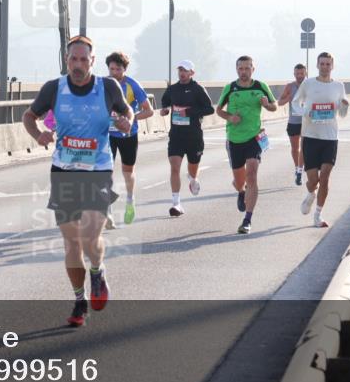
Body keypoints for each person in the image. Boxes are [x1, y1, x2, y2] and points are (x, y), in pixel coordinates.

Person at [23, 35, 132, 327]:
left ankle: (97, 271)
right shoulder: (53, 89)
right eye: (74, 59)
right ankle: (78, 299)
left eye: (84, 59)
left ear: (92, 61)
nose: (79, 65)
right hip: (64, 171)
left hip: (97, 170)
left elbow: (127, 111)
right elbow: (29, 116)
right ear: (66, 60)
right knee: (71, 242)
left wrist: (127, 122)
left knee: (89, 237)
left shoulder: (107, 86)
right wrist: (39, 135)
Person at [215, 55, 277, 234]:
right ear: (236, 70)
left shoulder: (260, 86)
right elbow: (218, 110)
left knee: (252, 175)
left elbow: (274, 106)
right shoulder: (230, 88)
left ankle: (247, 220)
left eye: (247, 68)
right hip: (234, 139)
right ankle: (242, 193)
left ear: (253, 69)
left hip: (254, 137)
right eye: (240, 69)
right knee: (239, 181)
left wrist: (267, 105)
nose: (244, 72)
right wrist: (230, 117)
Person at [296, 52, 349, 228]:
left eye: (328, 64)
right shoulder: (308, 83)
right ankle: (311, 194)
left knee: (325, 177)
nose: (325, 67)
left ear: (332, 66)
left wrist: (344, 106)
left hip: (330, 137)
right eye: (322, 64)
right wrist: (306, 112)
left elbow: (341, 114)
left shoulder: (339, 86)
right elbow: (296, 103)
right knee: (313, 180)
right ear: (317, 65)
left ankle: (318, 215)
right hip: (311, 136)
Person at [159, 60, 215, 217]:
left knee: (193, 166)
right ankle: (176, 203)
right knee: (175, 167)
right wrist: (165, 110)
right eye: (180, 70)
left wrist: (189, 112)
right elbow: (165, 102)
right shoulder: (172, 89)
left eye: (185, 70)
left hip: (194, 136)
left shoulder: (197, 89)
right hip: (176, 135)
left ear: (192, 73)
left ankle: (193, 178)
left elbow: (209, 109)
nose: (182, 73)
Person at [104, 51, 153, 226]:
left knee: (127, 172)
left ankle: (130, 200)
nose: (114, 72)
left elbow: (149, 110)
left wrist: (130, 119)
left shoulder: (133, 85)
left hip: (128, 135)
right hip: (107, 135)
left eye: (118, 69)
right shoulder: (103, 84)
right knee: (105, 172)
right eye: (111, 69)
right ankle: (107, 213)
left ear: (124, 69)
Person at [275, 63, 307, 185]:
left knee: (304, 148)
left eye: (302, 73)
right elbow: (279, 102)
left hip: (307, 122)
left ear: (306, 74)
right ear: (294, 74)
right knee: (295, 148)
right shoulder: (290, 87)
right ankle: (297, 168)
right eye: (297, 74)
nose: (300, 76)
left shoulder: (310, 85)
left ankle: (300, 171)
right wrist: (288, 98)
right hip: (293, 122)